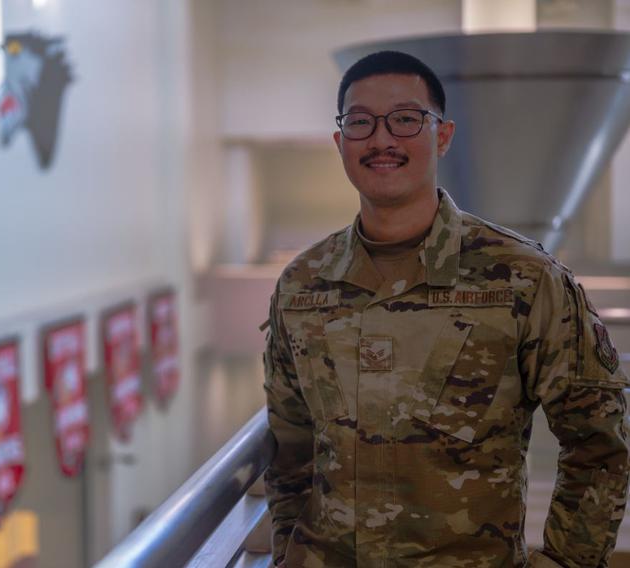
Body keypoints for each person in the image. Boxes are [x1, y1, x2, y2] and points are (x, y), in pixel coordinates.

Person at [263, 50, 630, 567]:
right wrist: (286, 553)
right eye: (361, 122)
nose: (382, 139)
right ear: (340, 141)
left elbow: (599, 443)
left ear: (442, 135)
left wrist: (566, 562)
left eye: (406, 119)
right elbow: (289, 450)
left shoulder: (522, 278)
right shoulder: (302, 286)